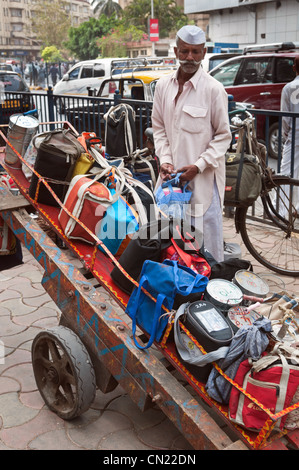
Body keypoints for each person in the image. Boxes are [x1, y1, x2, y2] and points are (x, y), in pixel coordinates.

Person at [151, 25, 231, 262]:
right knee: (169, 243)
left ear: (204, 53)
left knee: (204, 248)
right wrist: (164, 160)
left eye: (196, 52)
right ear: (175, 51)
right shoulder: (163, 86)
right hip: (170, 184)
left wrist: (199, 166)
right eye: (185, 51)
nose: (190, 58)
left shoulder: (214, 89)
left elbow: (223, 137)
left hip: (203, 183)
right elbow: (159, 129)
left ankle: (207, 293)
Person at [279, 55, 299, 217]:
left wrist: (287, 134)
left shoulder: (289, 88)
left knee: (286, 173)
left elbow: (285, 118)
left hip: (296, 137)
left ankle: (282, 211)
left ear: (294, 68)